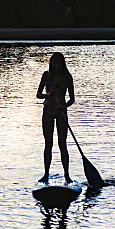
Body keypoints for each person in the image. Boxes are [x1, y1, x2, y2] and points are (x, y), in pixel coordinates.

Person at [36, 52, 75, 183]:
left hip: (61, 113)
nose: (57, 66)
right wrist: (47, 96)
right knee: (48, 144)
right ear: (51, 64)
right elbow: (38, 94)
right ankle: (46, 174)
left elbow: (72, 99)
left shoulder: (67, 77)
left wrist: (63, 107)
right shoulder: (46, 75)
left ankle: (67, 175)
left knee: (62, 144)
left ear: (63, 64)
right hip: (48, 111)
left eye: (59, 63)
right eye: (55, 63)